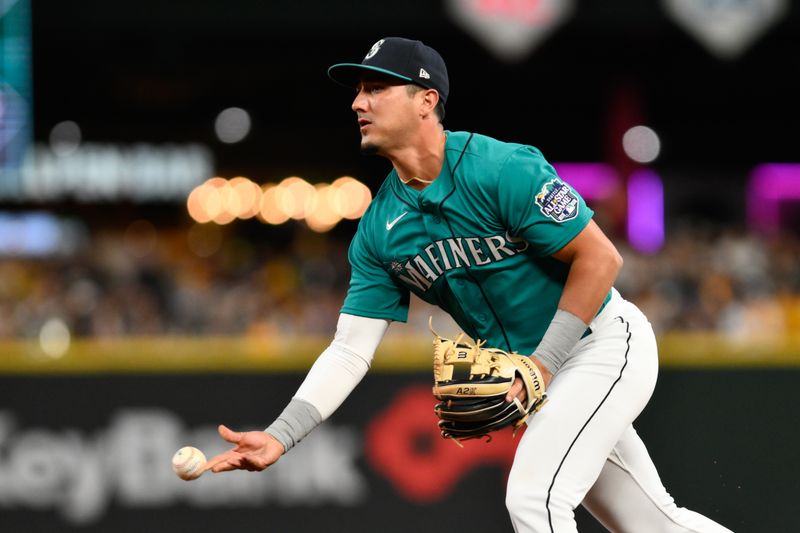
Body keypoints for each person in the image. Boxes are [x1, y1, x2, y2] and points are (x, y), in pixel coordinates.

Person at [206, 37, 733, 533]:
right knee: (654, 525)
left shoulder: (500, 168)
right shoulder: (378, 231)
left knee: (533, 497)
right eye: (358, 92)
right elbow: (349, 351)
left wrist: (541, 365)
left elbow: (600, 258)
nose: (357, 104)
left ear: (425, 100)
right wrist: (281, 433)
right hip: (543, 378)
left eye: (375, 88)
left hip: (601, 346)